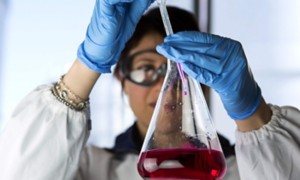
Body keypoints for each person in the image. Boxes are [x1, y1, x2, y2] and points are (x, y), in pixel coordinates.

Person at [0, 0, 299, 180]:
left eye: (183, 70)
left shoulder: (243, 169)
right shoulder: (92, 168)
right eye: (145, 67)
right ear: (121, 80)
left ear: (209, 80)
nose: (164, 86)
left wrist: (253, 111)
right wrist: (87, 65)